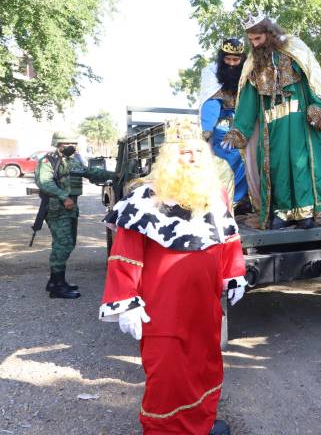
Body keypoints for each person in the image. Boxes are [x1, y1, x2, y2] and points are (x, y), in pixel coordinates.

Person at [100, 119, 246, 435]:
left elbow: (228, 238)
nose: (191, 157)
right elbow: (125, 255)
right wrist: (125, 301)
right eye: (183, 152)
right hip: (162, 311)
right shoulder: (143, 199)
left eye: (196, 151)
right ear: (169, 158)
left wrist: (234, 274)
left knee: (203, 366)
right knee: (167, 375)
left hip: (204, 307)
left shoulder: (216, 193)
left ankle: (200, 423)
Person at [222, 13, 321, 229]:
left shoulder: (295, 50)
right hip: (271, 126)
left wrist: (316, 107)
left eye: (258, 39)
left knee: (301, 163)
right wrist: (238, 130)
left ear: (269, 33)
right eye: (252, 40)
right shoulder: (253, 64)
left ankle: (307, 212)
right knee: (276, 167)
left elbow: (312, 82)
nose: (254, 44)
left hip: (300, 121)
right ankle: (281, 213)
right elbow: (247, 101)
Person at [34, 131, 117, 299]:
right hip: (56, 208)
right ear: (58, 144)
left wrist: (115, 175)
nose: (72, 147)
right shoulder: (48, 161)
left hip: (70, 208)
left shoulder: (72, 161)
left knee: (68, 243)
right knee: (62, 244)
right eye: (67, 143)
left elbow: (90, 172)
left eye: (74, 143)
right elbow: (44, 182)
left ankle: (54, 281)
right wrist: (63, 196)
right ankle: (57, 287)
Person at [198, 37, 249, 210]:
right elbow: (211, 103)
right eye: (228, 59)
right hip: (222, 123)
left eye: (236, 60)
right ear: (222, 58)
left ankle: (244, 199)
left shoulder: (249, 73)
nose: (232, 64)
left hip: (246, 122)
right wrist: (207, 129)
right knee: (228, 152)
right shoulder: (211, 72)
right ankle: (226, 199)